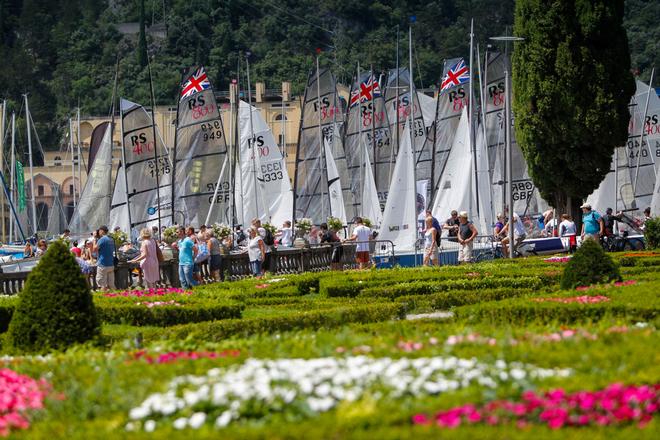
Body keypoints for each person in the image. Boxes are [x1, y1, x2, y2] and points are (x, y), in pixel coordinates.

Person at [93, 225, 116, 291]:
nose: (98, 232)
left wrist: (94, 238)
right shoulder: (111, 238)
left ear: (102, 231)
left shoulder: (102, 239)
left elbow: (94, 249)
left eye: (99, 231)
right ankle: (116, 297)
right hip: (111, 264)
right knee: (111, 285)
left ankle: (103, 297)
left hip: (103, 264)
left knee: (102, 285)